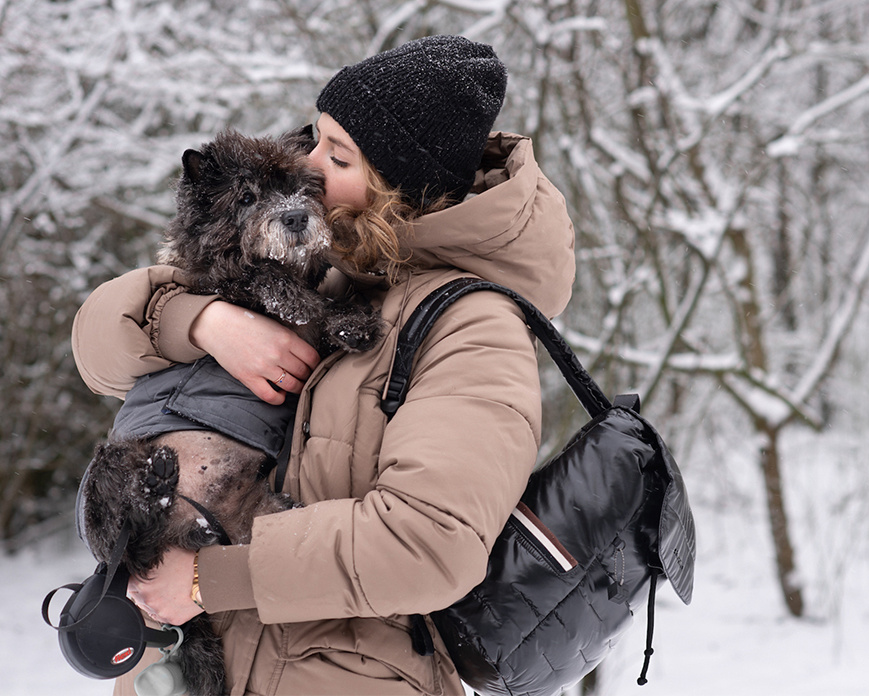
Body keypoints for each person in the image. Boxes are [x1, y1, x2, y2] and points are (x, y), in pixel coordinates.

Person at [71, 34, 575, 695]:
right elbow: (96, 344)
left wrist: (204, 579)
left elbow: (430, 545)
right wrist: (199, 323)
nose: (306, 166)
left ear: (396, 188)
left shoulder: (472, 327)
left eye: (335, 155)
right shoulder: (322, 269)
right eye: (315, 140)